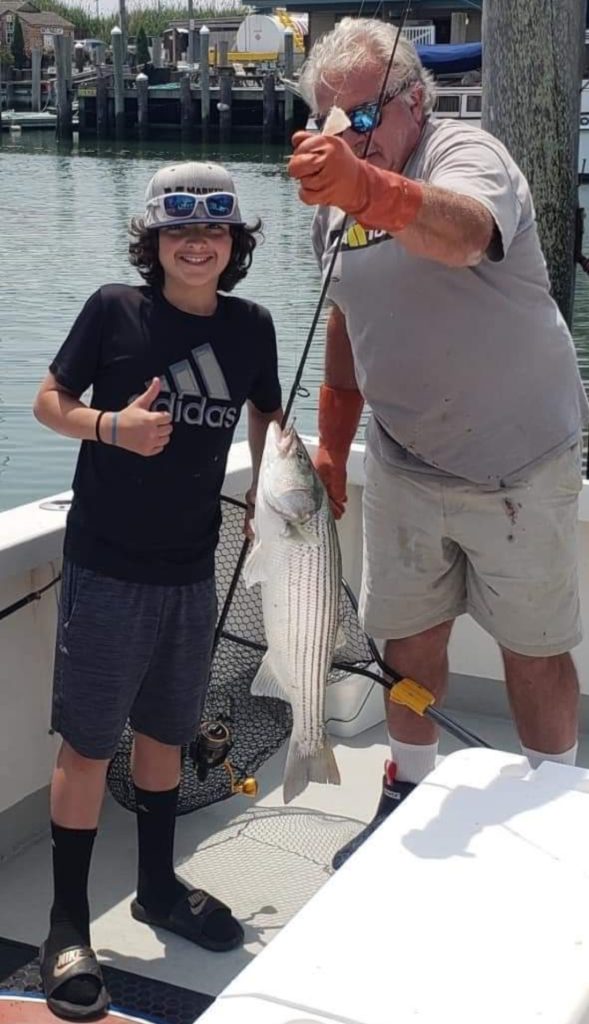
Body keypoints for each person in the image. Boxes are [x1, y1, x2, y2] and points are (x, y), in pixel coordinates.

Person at [288, 18, 589, 870]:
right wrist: (330, 446)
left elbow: (461, 236)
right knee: (408, 641)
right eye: (327, 118)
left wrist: (368, 189)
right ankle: (407, 786)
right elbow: (345, 320)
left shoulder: (466, 155)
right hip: (402, 458)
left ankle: (553, 802)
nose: (343, 133)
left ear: (414, 104)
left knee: (531, 653)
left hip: (518, 460)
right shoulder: (332, 205)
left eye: (364, 113)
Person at [33, 161, 282, 1019]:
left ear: (235, 244)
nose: (198, 244)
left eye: (214, 231)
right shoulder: (115, 309)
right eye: (180, 232)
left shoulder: (252, 326)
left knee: (167, 733)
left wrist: (277, 492)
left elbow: (269, 416)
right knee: (89, 744)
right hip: (108, 567)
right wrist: (111, 426)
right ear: (155, 243)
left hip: (190, 569)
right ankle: (66, 925)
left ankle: (156, 890)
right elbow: (47, 402)